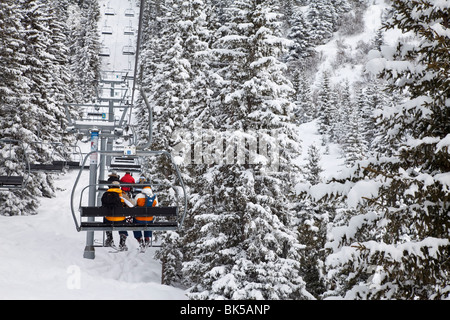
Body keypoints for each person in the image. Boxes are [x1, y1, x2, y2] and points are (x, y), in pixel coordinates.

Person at [101, 181, 134, 250]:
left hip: (108, 220)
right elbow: (131, 206)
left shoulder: (106, 194)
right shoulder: (122, 194)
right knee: (123, 222)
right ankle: (122, 243)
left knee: (105, 218)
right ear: (119, 187)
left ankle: (109, 239)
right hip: (120, 220)